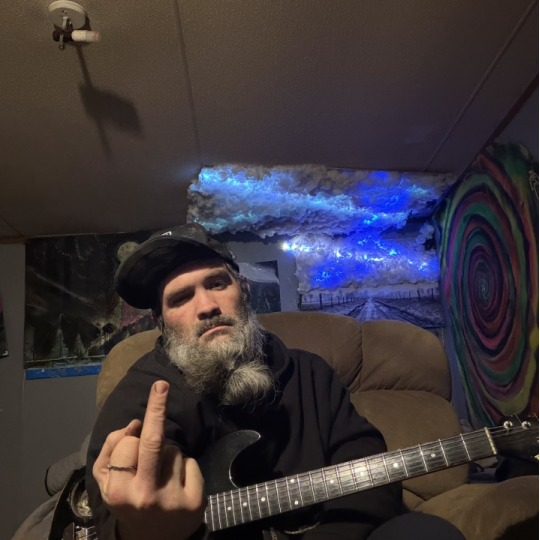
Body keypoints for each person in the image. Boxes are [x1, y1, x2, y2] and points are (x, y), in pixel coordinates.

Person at [86, 223, 465, 540]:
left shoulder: (311, 372)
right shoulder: (145, 392)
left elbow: (366, 463)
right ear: (161, 322)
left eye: (217, 283)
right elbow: (114, 513)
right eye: (181, 298)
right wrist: (140, 531)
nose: (206, 306)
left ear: (244, 290)